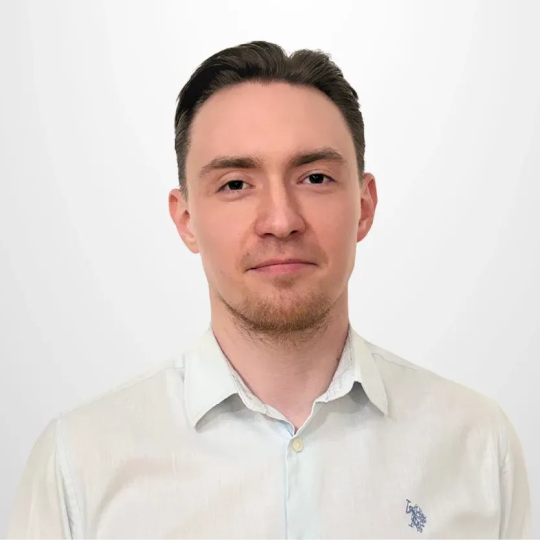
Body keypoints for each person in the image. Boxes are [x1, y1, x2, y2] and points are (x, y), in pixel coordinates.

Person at [7, 40, 531, 539]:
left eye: (315, 178)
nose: (281, 221)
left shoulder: (478, 445)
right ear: (186, 220)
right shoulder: (78, 464)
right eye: (235, 184)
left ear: (364, 206)